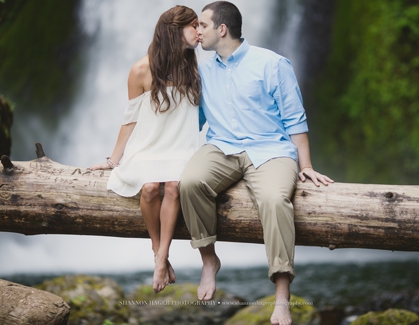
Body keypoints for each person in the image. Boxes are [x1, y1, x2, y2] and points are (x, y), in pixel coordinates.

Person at [179, 2, 333, 324]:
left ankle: (282, 294)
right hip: (222, 147)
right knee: (190, 182)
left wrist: (305, 165)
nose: (198, 32)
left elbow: (295, 119)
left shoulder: (273, 64)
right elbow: (192, 122)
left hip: (270, 150)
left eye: (203, 25)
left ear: (222, 29)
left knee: (275, 200)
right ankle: (209, 260)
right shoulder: (202, 71)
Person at [87, 5, 202, 294]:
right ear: (176, 31)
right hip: (149, 145)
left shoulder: (194, 65)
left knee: (173, 186)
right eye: (194, 26)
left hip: (182, 145)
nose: (200, 31)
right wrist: (113, 160)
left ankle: (162, 258)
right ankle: (157, 251)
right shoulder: (140, 70)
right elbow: (130, 119)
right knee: (149, 187)